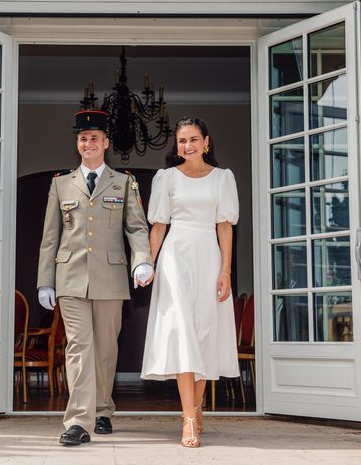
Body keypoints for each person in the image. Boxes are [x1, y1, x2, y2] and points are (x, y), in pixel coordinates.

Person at [37, 110, 153, 446]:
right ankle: (78, 422)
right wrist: (46, 279)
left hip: (111, 276)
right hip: (70, 276)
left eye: (94, 138)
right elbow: (50, 235)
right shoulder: (61, 184)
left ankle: (102, 409)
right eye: (82, 138)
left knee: (104, 349)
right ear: (78, 144)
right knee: (78, 347)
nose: (88, 143)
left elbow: (136, 226)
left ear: (105, 143)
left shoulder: (123, 182)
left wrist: (141, 261)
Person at [140, 116, 240, 448]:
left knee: (204, 336)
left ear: (206, 142)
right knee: (183, 332)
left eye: (194, 139)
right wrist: (147, 263)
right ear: (176, 146)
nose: (188, 146)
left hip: (209, 257)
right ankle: (188, 421)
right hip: (174, 258)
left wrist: (226, 271)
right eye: (182, 141)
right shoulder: (165, 178)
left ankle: (196, 409)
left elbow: (225, 225)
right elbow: (158, 225)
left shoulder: (223, 178)